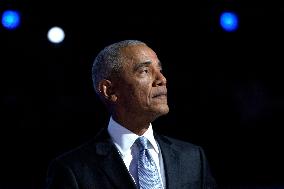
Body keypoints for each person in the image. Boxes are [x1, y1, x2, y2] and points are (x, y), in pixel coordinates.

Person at [45, 40, 217, 189]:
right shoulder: (73, 169)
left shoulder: (193, 158)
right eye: (145, 71)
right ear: (109, 90)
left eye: (160, 70)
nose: (162, 79)